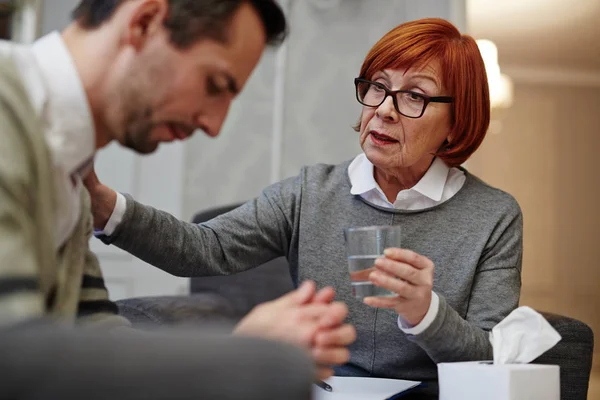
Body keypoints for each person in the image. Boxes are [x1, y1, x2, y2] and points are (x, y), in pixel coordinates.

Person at [87, 17, 523, 386]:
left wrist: (426, 312)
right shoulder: (311, 191)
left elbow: (490, 355)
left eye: (415, 96)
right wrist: (109, 208)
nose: (385, 109)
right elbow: (204, 248)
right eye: (378, 87)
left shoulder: (494, 216)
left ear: (456, 121)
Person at [0, 0, 355, 397]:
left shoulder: (69, 168)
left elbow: (101, 334)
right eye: (215, 85)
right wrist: (243, 355)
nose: (214, 125)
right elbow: (14, 358)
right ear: (146, 21)